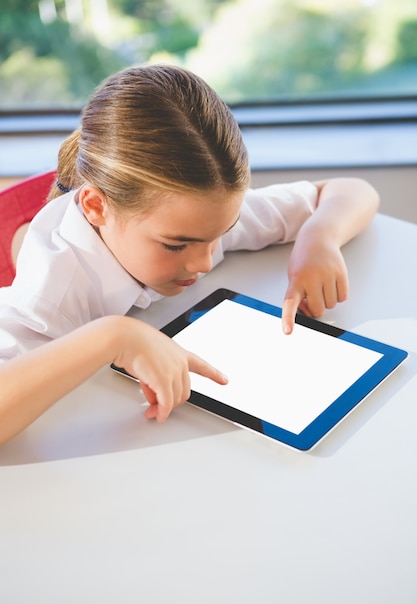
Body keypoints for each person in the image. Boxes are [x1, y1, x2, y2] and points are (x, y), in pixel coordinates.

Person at [0, 64, 379, 443]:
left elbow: (350, 191)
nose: (203, 261)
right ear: (97, 207)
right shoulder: (52, 293)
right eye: (176, 245)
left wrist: (320, 236)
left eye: (221, 234)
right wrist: (113, 336)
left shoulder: (196, 219)